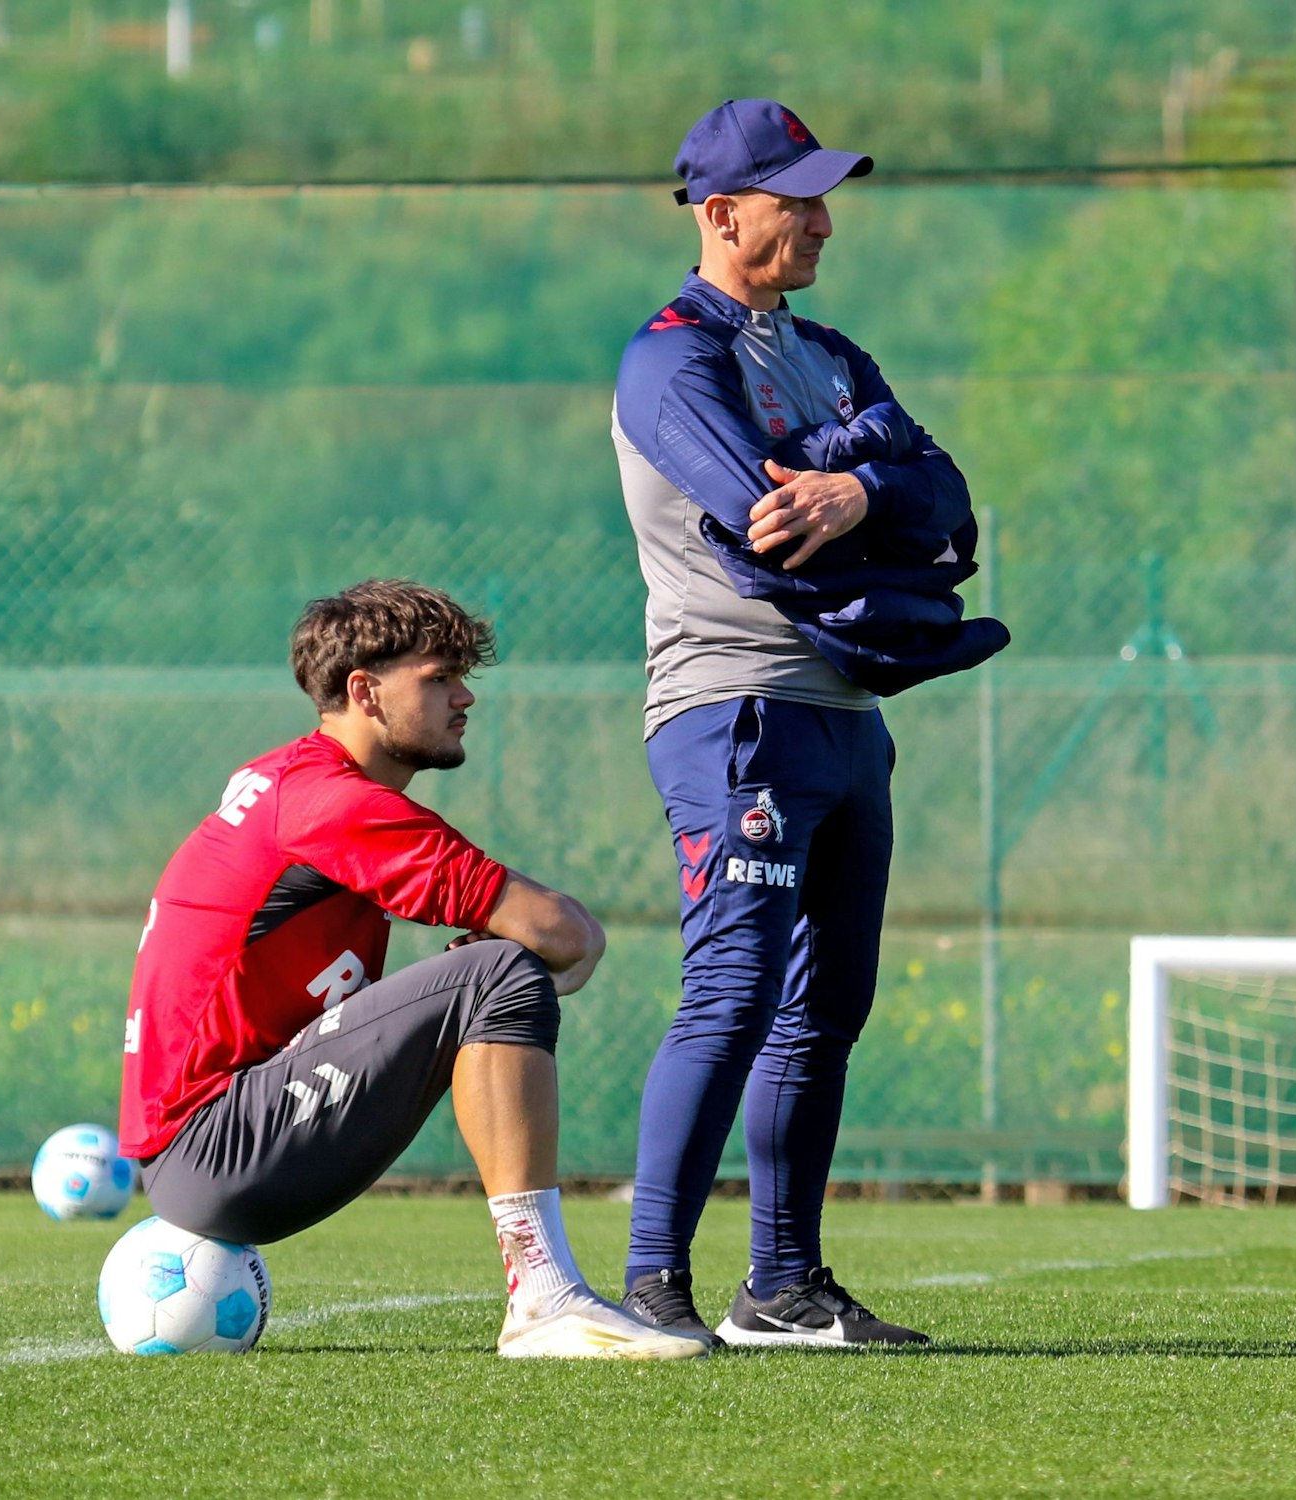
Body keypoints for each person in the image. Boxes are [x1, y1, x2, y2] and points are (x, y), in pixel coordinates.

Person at [609, 100, 1000, 1348]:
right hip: (733, 710)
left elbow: (952, 515)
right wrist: (860, 489)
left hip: (843, 715)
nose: (824, 221)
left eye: (825, 198)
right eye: (797, 201)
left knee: (825, 1006)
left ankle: (781, 1288)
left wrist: (863, 482)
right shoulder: (669, 356)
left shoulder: (830, 351)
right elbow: (762, 528)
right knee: (728, 989)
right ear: (720, 216)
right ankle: (650, 1286)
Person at [117, 579, 707, 1361]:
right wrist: (547, 963)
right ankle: (543, 1298)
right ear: (364, 691)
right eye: (438, 679)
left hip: (204, 1143)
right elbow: (561, 933)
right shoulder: (333, 802)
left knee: (491, 977)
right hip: (214, 1147)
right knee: (497, 973)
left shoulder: (293, 779)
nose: (464, 697)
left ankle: (546, 1296)